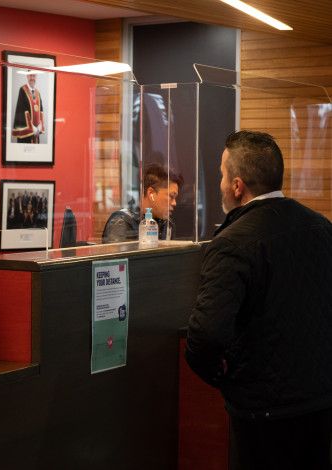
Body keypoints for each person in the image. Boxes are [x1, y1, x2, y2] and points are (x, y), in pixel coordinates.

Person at [185, 131, 332, 470]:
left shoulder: (232, 242)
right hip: (321, 402)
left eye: (222, 174)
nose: (219, 183)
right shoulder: (322, 228)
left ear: (237, 186)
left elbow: (206, 336)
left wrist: (226, 378)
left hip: (264, 412)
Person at [101, 163, 182, 243]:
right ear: (151, 193)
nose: (174, 203)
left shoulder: (168, 225)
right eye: (171, 196)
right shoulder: (122, 221)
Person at [11, 72, 45, 143]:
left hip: (36, 132)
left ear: (36, 77)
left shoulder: (37, 92)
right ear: (27, 76)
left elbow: (41, 110)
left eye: (34, 76)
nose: (32, 78)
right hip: (26, 134)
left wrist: (40, 125)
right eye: (30, 75)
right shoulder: (23, 90)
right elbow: (21, 110)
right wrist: (32, 127)